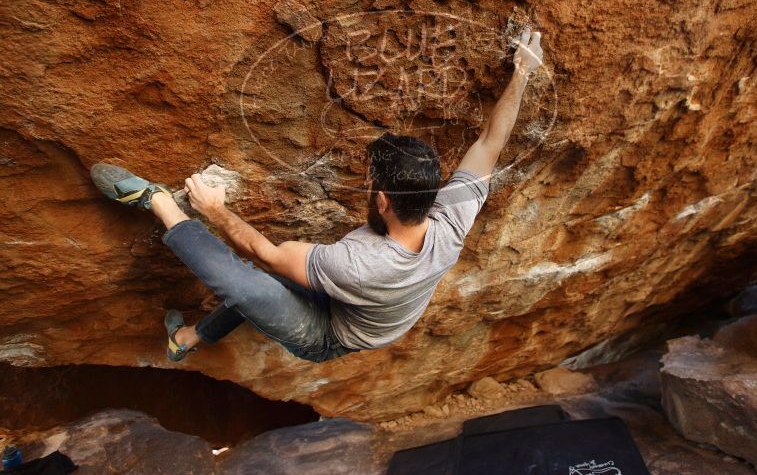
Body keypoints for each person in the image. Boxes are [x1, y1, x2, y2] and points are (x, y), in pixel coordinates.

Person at [90, 28, 543, 363]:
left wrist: (214, 209)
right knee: (275, 290)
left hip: (329, 334)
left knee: (253, 287)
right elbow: (490, 143)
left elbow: (261, 253)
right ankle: (185, 340)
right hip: (367, 308)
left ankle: (157, 202)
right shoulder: (454, 216)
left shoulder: (359, 264)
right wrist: (523, 70)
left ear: (382, 200)